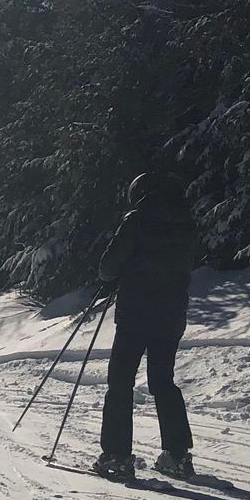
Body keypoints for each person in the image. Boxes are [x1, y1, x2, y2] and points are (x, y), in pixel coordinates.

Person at [91, 170, 198, 479]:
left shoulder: (136, 220)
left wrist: (117, 275)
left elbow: (109, 267)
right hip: (171, 315)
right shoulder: (186, 225)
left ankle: (116, 455)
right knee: (163, 382)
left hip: (136, 314)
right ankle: (177, 456)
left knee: (121, 382)